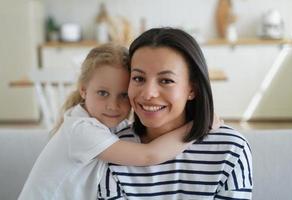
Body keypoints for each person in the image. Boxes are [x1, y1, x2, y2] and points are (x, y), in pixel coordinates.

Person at [18, 43, 195, 200]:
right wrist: (196, 126)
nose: (113, 106)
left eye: (123, 95)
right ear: (84, 90)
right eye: (103, 93)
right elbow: (148, 155)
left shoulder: (109, 124)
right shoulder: (81, 129)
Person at [98, 28, 253, 200]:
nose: (148, 93)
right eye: (138, 78)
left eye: (166, 80)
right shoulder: (111, 151)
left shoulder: (231, 150)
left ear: (192, 89)